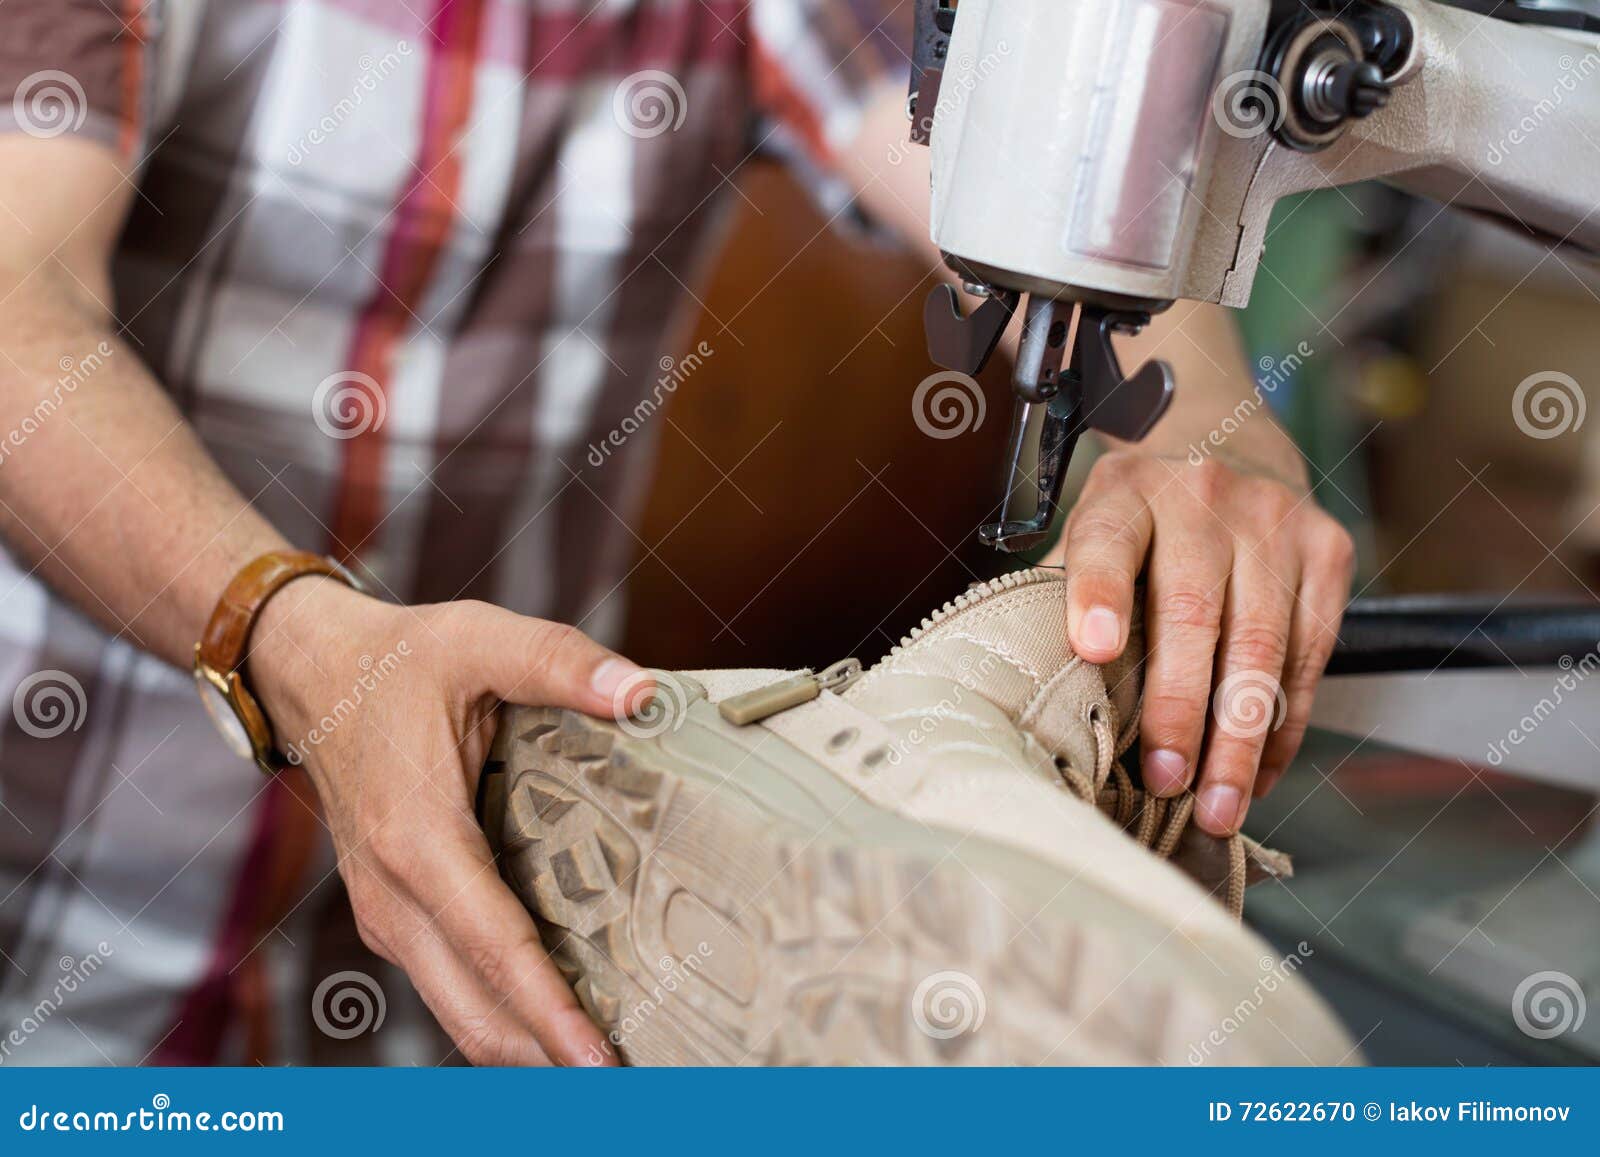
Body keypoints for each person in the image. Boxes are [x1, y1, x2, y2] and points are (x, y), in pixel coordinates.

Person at [0, 0, 1352, 1066]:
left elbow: (1019, 183)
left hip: (480, 967)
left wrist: (1207, 432)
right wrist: (299, 647)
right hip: (56, 918)